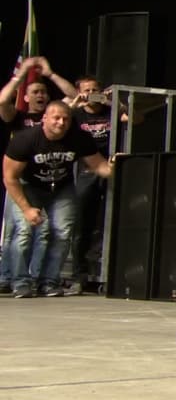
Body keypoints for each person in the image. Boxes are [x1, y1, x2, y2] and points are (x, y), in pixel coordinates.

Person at [3, 100, 114, 298]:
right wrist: (26, 208)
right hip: (28, 186)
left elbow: (99, 166)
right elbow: (10, 178)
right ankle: (20, 282)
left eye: (65, 119)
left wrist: (115, 166)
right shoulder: (25, 139)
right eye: (56, 118)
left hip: (61, 187)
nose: (61, 123)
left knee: (62, 232)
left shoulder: (79, 138)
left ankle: (49, 282)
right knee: (24, 232)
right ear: (44, 119)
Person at [0, 56, 78, 295]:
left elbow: (74, 96)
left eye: (43, 91)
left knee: (43, 233)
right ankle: (7, 277)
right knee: (17, 231)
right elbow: (3, 100)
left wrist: (51, 73)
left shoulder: (57, 117)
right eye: (34, 92)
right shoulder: (19, 117)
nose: (40, 95)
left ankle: (33, 278)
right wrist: (22, 75)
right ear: (25, 96)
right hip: (20, 179)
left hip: (48, 180)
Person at [66, 76, 138, 294]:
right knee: (82, 223)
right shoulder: (76, 114)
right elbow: (57, 121)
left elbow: (135, 119)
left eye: (95, 89)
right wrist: (75, 102)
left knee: (110, 220)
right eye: (87, 90)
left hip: (111, 167)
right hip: (86, 169)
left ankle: (107, 273)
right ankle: (79, 275)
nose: (92, 93)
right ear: (80, 92)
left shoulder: (111, 111)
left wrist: (114, 102)